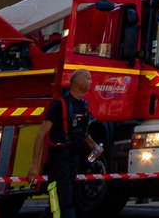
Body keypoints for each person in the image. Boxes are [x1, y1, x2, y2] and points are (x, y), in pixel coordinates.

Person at [43, 71, 96, 218]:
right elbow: (41, 134)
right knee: (65, 203)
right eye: (88, 78)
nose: (91, 81)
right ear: (78, 82)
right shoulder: (60, 104)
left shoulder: (84, 105)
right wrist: (34, 165)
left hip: (74, 158)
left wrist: (94, 146)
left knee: (58, 202)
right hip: (59, 158)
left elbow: (83, 133)